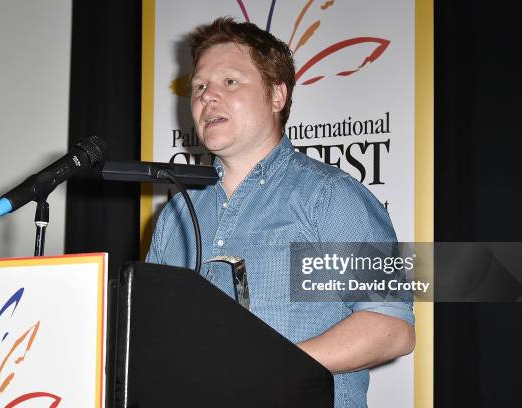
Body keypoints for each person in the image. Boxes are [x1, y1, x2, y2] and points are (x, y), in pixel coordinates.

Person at [147, 17, 415, 407]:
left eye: (230, 82)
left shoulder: (329, 198)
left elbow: (391, 327)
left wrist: (267, 366)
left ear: (277, 95)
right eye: (200, 87)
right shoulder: (175, 215)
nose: (207, 97)